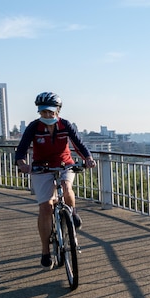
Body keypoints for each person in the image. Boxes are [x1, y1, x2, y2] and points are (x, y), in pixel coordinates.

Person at [15, 92, 96, 269]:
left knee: (67, 186)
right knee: (45, 207)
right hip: (41, 168)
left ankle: (73, 214)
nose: (47, 115)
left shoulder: (65, 125)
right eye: (43, 112)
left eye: (50, 112)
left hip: (64, 164)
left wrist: (88, 158)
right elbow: (20, 151)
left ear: (57, 111)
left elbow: (79, 144)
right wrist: (22, 164)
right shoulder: (33, 127)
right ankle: (45, 251)